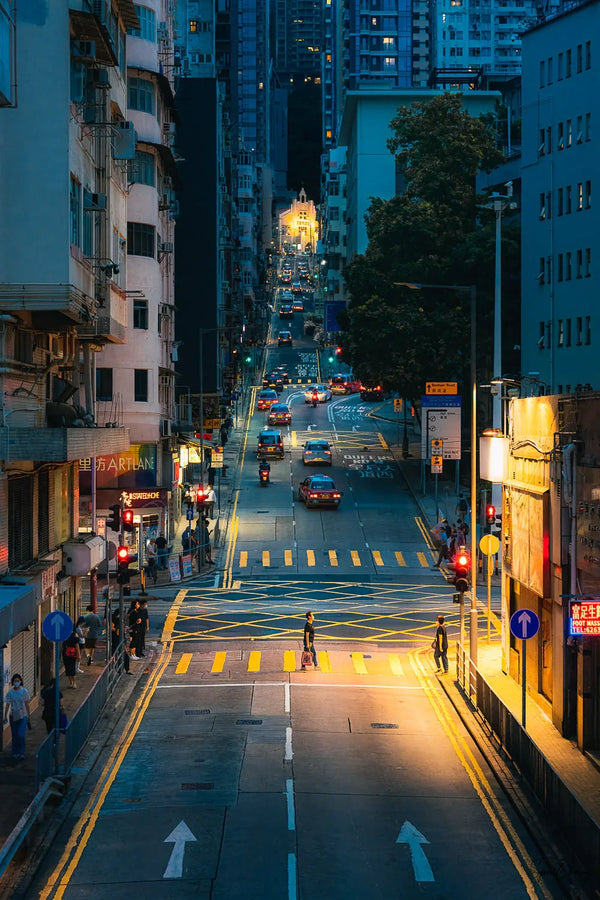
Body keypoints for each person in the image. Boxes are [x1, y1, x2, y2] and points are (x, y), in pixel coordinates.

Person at [3, 674, 31, 759]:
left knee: (20, 734)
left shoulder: (24, 691)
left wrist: (28, 715)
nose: (16, 683)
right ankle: (15, 752)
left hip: (22, 715)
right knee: (14, 735)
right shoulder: (10, 693)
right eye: (15, 681)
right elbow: (7, 704)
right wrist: (5, 716)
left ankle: (21, 752)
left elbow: (27, 703)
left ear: (20, 681)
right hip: (13, 715)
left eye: (18, 681)